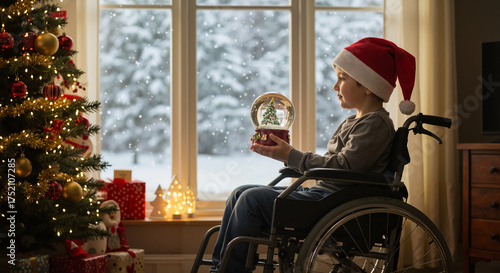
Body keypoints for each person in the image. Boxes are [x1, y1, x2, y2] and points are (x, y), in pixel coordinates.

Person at [210, 37, 416, 273]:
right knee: (240, 193)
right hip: (325, 196)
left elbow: (343, 167)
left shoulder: (375, 124)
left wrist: (292, 156)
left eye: (342, 78)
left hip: (334, 202)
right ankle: (221, 268)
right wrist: (285, 155)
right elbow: (336, 165)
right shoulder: (355, 121)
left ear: (368, 85)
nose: (335, 86)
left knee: (251, 200)